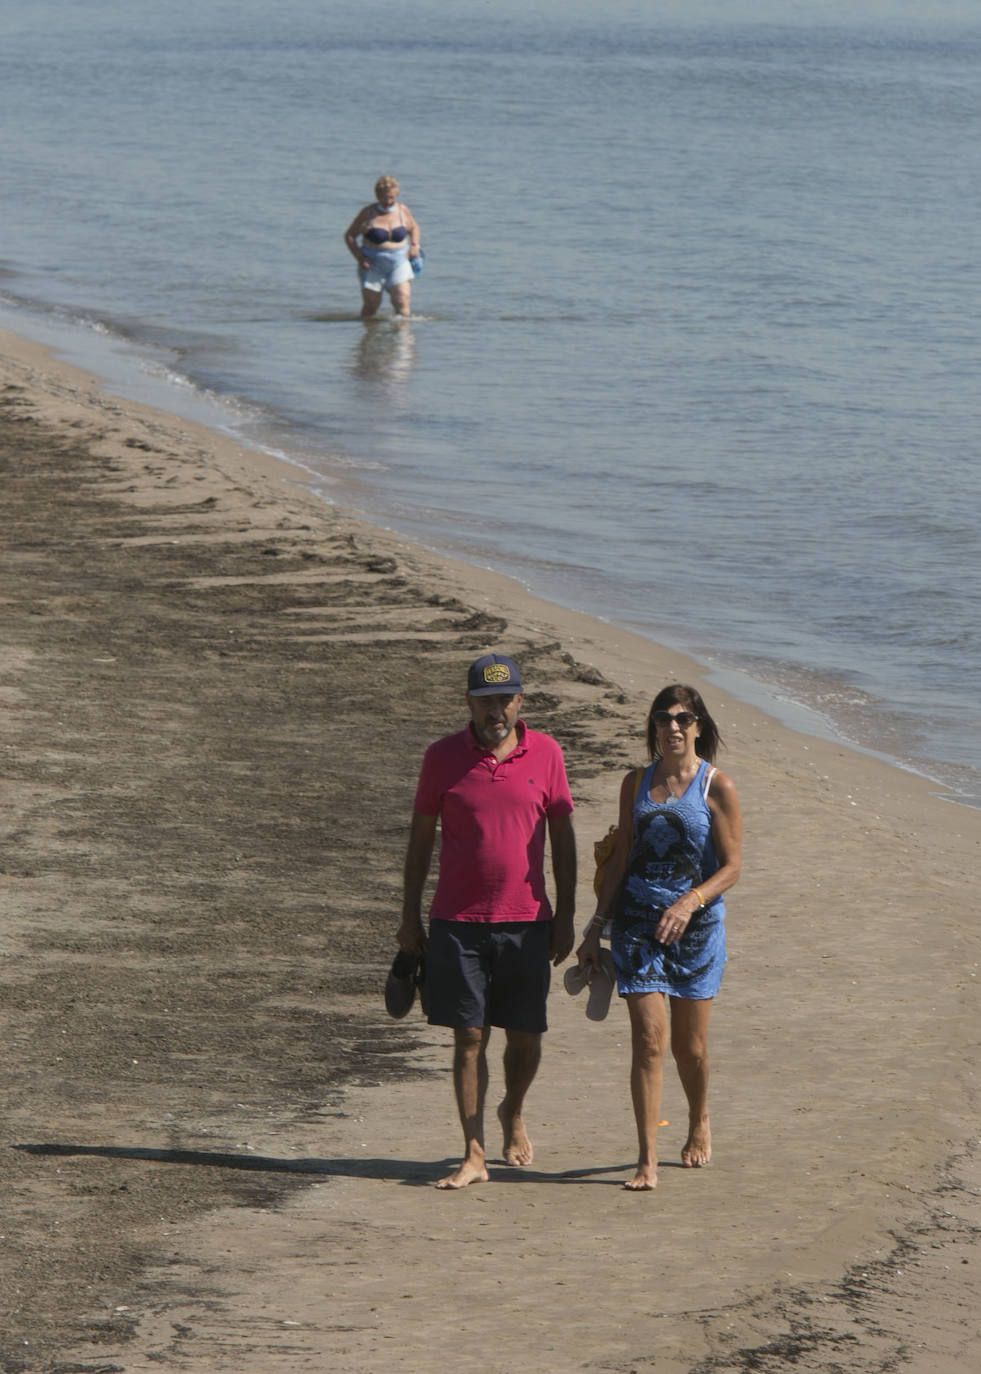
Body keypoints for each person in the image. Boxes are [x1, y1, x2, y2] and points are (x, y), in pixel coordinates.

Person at [398, 653, 577, 1189]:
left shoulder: (545, 753)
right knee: (468, 1037)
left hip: (527, 922)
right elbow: (420, 841)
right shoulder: (441, 758)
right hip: (457, 921)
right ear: (469, 702)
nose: (496, 709)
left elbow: (564, 842)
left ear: (520, 701)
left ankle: (513, 1109)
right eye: (486, 699)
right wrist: (409, 918)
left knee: (524, 1035)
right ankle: (473, 1153)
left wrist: (565, 917)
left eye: (505, 699)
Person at [576, 684, 741, 1191]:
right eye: (663, 718)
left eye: (683, 718)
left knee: (689, 1048)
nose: (673, 726)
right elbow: (622, 857)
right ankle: (646, 1160)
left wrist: (690, 902)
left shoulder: (717, 786)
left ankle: (698, 1121)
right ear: (652, 726)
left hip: (695, 932)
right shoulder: (635, 783)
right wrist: (596, 926)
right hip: (637, 929)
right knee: (649, 1040)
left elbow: (732, 868)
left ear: (698, 726)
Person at [344, 175, 422, 319]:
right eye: (384, 198)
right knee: (371, 307)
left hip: (398, 261)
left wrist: (414, 246)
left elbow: (414, 228)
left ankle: (402, 339)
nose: (388, 202)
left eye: (392, 198)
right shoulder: (367, 213)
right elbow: (349, 236)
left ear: (396, 195)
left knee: (402, 302)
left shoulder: (402, 210)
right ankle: (369, 337)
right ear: (377, 195)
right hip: (373, 263)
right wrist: (360, 258)